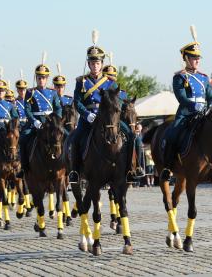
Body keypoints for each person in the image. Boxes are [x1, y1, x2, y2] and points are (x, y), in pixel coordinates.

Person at [68, 34, 136, 184]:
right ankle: (75, 172)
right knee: (75, 138)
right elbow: (77, 102)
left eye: (97, 63)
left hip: (107, 119)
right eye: (92, 63)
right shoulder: (81, 82)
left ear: (101, 63)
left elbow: (119, 103)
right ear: (88, 64)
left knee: (130, 135)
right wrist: (87, 115)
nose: (95, 66)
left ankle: (130, 170)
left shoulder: (109, 82)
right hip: (89, 118)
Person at [161, 30, 212, 180]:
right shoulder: (179, 77)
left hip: (204, 113)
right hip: (186, 113)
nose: (197, 60)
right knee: (172, 134)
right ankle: (168, 167)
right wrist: (194, 106)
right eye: (193, 57)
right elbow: (181, 97)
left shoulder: (204, 78)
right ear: (186, 58)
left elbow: (211, 96)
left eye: (198, 57)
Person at [17, 62, 62, 177]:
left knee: (68, 136)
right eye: (39, 78)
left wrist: (56, 121)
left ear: (47, 79)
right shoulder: (30, 92)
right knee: (23, 139)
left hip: (50, 123)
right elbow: (27, 109)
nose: (41, 80)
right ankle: (24, 168)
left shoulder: (52, 92)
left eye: (43, 78)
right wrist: (34, 121)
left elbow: (58, 108)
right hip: (35, 123)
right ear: (36, 78)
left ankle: (67, 167)